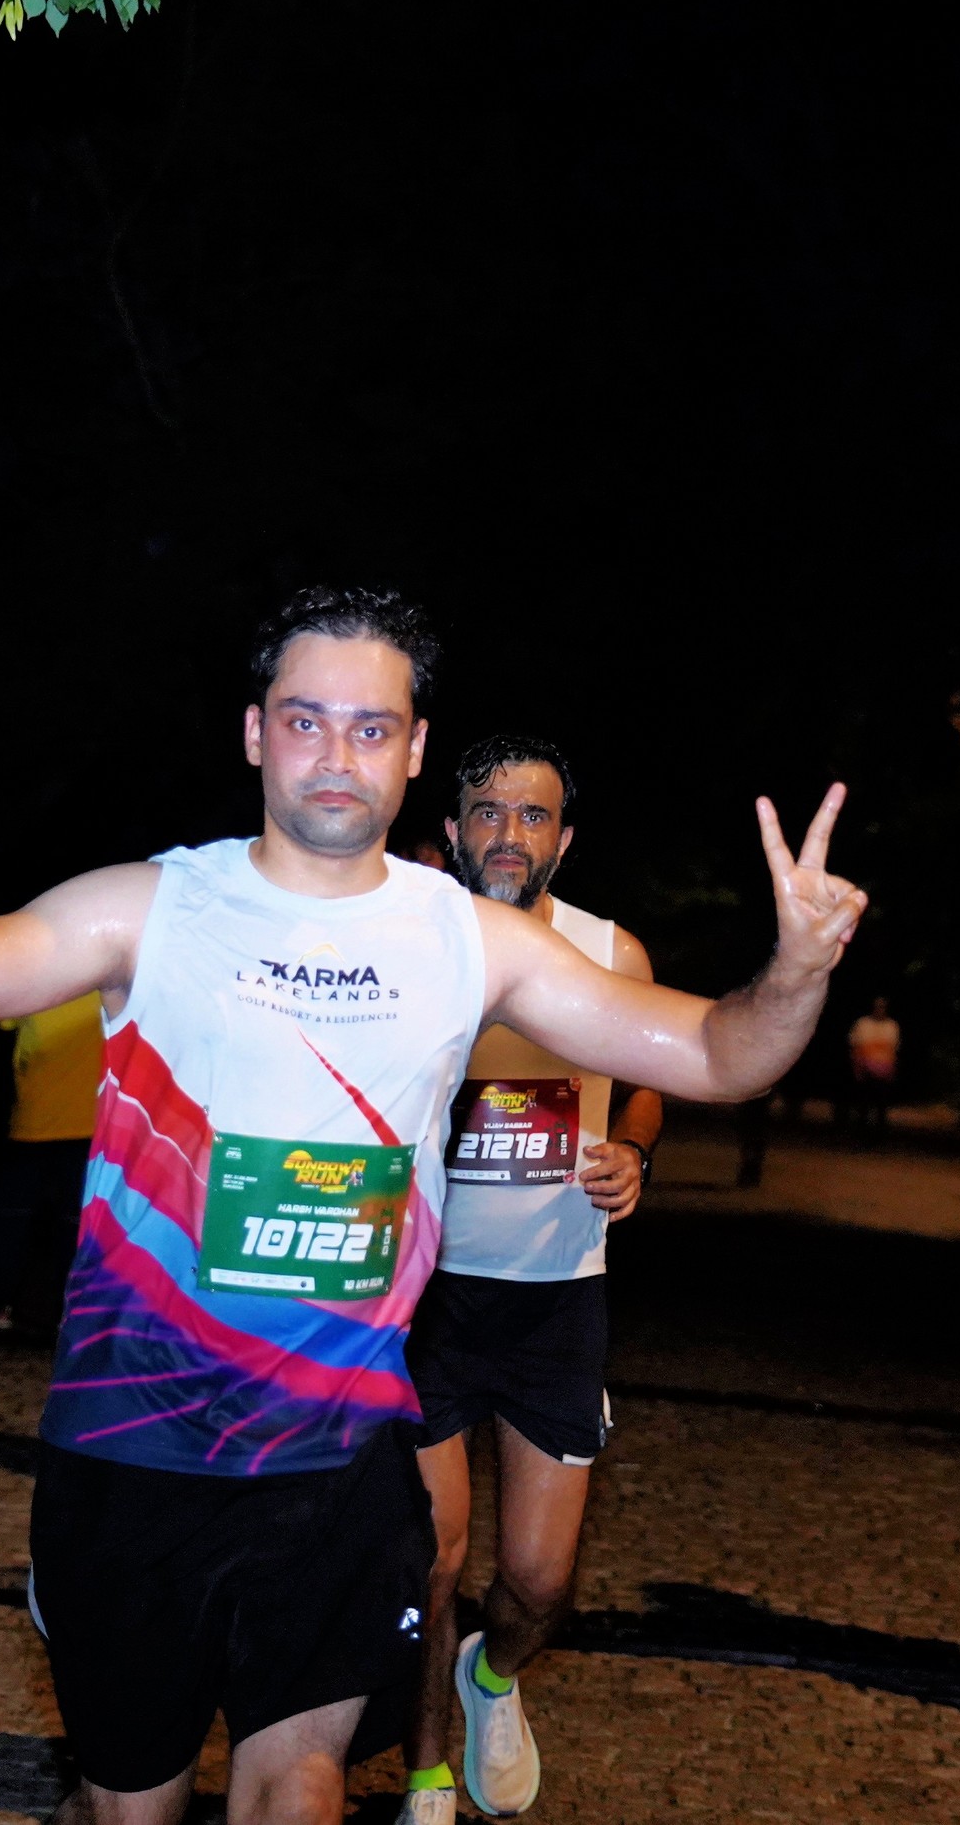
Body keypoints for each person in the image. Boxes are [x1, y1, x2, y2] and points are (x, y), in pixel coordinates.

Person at [0, 590, 865, 1825]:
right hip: (136, 1450)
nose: (337, 753)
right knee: (130, 1804)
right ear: (256, 734)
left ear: (413, 750)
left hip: (339, 1458)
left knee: (298, 1790)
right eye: (306, 721)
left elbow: (719, 1055)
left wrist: (797, 970)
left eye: (370, 727)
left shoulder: (472, 941)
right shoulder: (147, 909)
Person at [401, 734, 665, 1822]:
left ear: (564, 837)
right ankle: (424, 1774)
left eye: (533, 814)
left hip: (557, 1297)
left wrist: (633, 1150)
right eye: (488, 811)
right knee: (430, 1559)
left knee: (539, 1582)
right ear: (452, 827)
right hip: (423, 1297)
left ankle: (493, 1674)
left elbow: (650, 1079)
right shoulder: (404, 940)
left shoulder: (609, 952)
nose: (509, 833)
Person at [0, 992, 104, 1333]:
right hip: (39, 1126)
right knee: (20, 1223)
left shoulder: (97, 985)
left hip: (80, 1128)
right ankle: (8, 1305)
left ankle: (52, 1311)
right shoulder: (103, 985)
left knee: (62, 1227)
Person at [846, 996, 900, 1131]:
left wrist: (892, 1070)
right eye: (877, 1006)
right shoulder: (863, 1024)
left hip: (883, 1071)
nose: (879, 1010)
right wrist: (857, 1068)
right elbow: (855, 1047)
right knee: (863, 1103)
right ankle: (862, 1131)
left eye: (882, 1007)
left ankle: (879, 1132)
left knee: (881, 1104)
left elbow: (893, 1050)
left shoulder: (892, 1026)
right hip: (865, 1070)